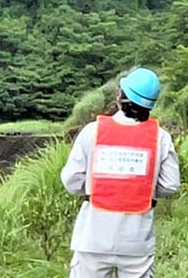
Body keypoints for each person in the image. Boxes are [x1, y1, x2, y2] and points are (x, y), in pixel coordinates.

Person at [61, 67, 181, 278]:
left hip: (93, 236)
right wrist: (144, 190)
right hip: (136, 240)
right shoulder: (160, 138)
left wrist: (95, 188)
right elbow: (170, 185)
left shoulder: (92, 131)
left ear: (121, 98)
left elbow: (71, 181)